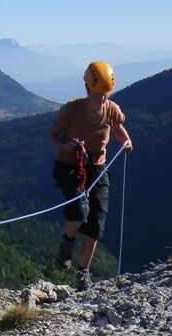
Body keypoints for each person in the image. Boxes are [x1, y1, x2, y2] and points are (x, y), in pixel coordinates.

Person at [47, 61, 133, 291]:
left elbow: (118, 128)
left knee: (96, 222)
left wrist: (125, 140)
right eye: (99, 94)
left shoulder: (112, 109)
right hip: (69, 165)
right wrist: (67, 147)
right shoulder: (71, 110)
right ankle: (67, 241)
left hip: (97, 166)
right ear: (88, 90)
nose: (103, 98)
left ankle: (83, 273)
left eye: (106, 94)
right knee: (79, 210)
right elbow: (53, 136)